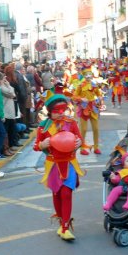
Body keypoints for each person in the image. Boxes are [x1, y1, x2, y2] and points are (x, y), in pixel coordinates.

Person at [33, 85, 83, 241]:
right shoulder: (43, 127)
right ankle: (62, 223)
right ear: (50, 111)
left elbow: (79, 138)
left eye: (64, 109)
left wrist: (79, 143)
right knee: (56, 194)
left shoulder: (71, 123)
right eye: (57, 110)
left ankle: (65, 227)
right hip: (53, 165)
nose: (61, 113)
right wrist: (43, 144)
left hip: (69, 163)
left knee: (66, 193)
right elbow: (36, 146)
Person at [73, 67, 104, 155]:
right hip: (84, 109)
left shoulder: (94, 85)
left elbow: (99, 94)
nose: (88, 76)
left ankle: (96, 147)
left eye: (90, 74)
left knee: (96, 129)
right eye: (86, 74)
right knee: (83, 129)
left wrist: (100, 98)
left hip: (93, 108)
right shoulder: (80, 85)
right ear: (84, 76)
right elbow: (74, 96)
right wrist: (81, 98)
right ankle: (82, 148)